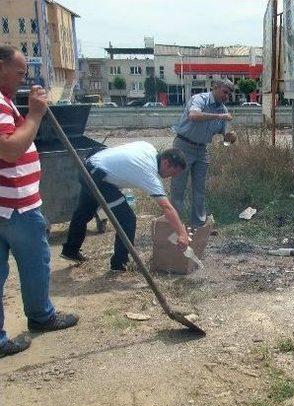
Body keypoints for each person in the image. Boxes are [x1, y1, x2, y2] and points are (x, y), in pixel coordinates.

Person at [0, 45, 78, 358]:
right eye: (19, 72)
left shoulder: (5, 102)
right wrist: (34, 114)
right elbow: (9, 150)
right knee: (36, 266)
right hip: (16, 207)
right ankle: (41, 316)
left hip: (8, 203)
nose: (22, 78)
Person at [61, 142, 191, 271]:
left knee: (84, 212)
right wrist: (181, 234)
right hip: (98, 178)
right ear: (166, 163)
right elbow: (167, 207)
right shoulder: (148, 172)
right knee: (127, 220)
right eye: (173, 173)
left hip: (88, 166)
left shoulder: (149, 147)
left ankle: (70, 250)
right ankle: (120, 264)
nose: (171, 177)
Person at [171, 78, 235, 227]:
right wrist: (219, 116)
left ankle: (198, 225)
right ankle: (174, 226)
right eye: (225, 92)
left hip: (202, 150)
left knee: (199, 189)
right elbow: (193, 116)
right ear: (215, 87)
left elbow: (226, 135)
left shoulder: (223, 110)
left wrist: (232, 136)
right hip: (183, 146)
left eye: (229, 94)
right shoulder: (200, 99)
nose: (226, 96)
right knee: (178, 188)